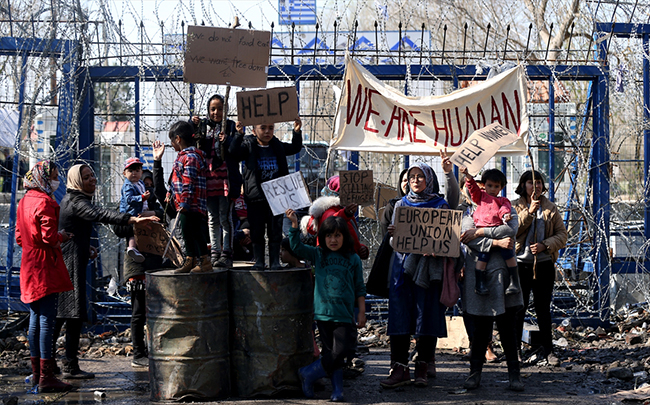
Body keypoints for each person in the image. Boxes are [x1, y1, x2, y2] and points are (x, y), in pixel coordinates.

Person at [54, 163, 158, 379]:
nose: (92, 179)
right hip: (70, 263)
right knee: (71, 313)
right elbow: (99, 214)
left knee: (64, 314)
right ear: (76, 181)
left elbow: (73, 230)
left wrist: (86, 247)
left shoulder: (73, 199)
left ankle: (49, 363)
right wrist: (132, 218)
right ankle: (67, 365)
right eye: (86, 177)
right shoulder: (77, 201)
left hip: (72, 258)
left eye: (92, 175)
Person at [381, 161, 460, 389]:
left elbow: (448, 238)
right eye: (412, 176)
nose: (415, 180)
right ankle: (399, 369)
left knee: (425, 316)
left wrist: (437, 247)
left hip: (428, 270)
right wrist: (394, 235)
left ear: (429, 180)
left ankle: (422, 367)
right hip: (402, 270)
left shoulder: (441, 205)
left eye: (420, 176)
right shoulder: (400, 206)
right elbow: (396, 243)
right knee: (400, 317)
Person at [286, 209, 366, 402]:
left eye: (337, 235)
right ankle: (337, 390)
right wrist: (295, 226)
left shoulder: (352, 259)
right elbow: (296, 248)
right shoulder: (319, 255)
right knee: (332, 354)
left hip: (344, 315)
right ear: (323, 237)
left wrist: (361, 311)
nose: (333, 240)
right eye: (329, 235)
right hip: (323, 314)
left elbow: (359, 287)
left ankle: (309, 373)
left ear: (344, 237)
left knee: (343, 351)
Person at [16, 161, 73, 392]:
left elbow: (20, 237)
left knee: (34, 316)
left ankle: (36, 373)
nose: (55, 180)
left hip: (29, 264)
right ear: (44, 178)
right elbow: (49, 237)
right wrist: (61, 236)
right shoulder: (46, 202)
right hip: (45, 266)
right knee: (47, 318)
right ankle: (47, 377)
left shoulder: (23, 201)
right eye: (54, 176)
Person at [460, 202, 524, 391]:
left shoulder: (507, 209)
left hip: (505, 281)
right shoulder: (468, 215)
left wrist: (479, 232)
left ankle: (514, 374)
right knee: (480, 331)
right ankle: (474, 373)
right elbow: (467, 238)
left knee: (507, 329)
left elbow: (510, 231)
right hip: (480, 282)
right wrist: (496, 242)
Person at [228, 118, 303, 270]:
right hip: (256, 198)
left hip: (276, 197)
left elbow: (295, 147)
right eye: (263, 128)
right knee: (257, 231)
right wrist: (238, 134)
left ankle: (275, 262)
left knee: (275, 231)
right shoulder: (248, 145)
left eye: (271, 127)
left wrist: (296, 131)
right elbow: (233, 152)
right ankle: (260, 261)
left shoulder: (277, 146)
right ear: (254, 131)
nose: (267, 131)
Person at [512, 170, 568, 366]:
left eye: (538, 183)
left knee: (543, 309)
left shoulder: (551, 208)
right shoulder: (514, 206)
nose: (534, 186)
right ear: (523, 185)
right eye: (530, 183)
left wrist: (546, 245)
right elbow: (513, 230)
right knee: (519, 308)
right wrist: (529, 212)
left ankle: (548, 350)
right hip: (520, 265)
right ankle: (515, 350)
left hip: (544, 265)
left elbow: (562, 234)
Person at [190, 95, 244, 268]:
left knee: (225, 216)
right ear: (208, 110)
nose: (216, 112)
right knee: (212, 217)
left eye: (220, 109)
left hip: (225, 179)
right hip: (208, 179)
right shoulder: (204, 126)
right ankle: (215, 252)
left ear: (225, 110)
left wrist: (231, 138)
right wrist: (194, 124)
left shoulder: (230, 126)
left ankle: (226, 252)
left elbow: (237, 151)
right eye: (213, 109)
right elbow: (193, 142)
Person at [459, 167, 520, 296]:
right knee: (482, 259)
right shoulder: (479, 197)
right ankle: (480, 283)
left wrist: (505, 216)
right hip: (489, 235)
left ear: (501, 187)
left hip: (495, 231)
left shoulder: (503, 201)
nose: (492, 189)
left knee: (509, 255)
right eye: (489, 185)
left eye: (496, 186)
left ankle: (514, 281)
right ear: (484, 185)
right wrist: (468, 176)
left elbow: (505, 211)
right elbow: (472, 188)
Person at [168, 120, 211, 274]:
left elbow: (188, 181)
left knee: (195, 232)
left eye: (172, 141)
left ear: (178, 139)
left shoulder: (191, 157)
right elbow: (176, 179)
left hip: (191, 205)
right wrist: (170, 193)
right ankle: (190, 259)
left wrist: (185, 201)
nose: (172, 145)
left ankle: (204, 261)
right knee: (186, 232)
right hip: (183, 204)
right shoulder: (182, 157)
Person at [301, 175, 370, 260]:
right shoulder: (331, 211)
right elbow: (332, 221)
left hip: (341, 258)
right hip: (336, 261)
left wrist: (360, 248)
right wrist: (345, 214)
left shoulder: (338, 209)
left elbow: (350, 236)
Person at [119, 157, 150, 263]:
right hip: (131, 213)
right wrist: (141, 198)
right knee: (133, 231)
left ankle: (137, 248)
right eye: (130, 171)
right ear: (124, 173)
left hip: (139, 212)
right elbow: (129, 199)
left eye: (137, 170)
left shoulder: (140, 183)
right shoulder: (128, 185)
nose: (134, 173)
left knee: (139, 230)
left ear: (141, 172)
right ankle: (132, 248)